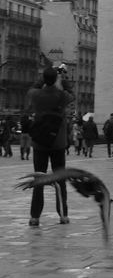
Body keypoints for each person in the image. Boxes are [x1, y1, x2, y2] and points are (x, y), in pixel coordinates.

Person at [26, 67, 74, 226]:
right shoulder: (61, 96)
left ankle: (35, 216)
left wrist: (42, 79)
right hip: (58, 142)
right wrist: (62, 77)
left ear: (43, 79)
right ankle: (63, 215)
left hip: (40, 142)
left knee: (38, 179)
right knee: (60, 179)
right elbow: (71, 93)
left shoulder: (36, 95)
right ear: (55, 79)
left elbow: (33, 87)